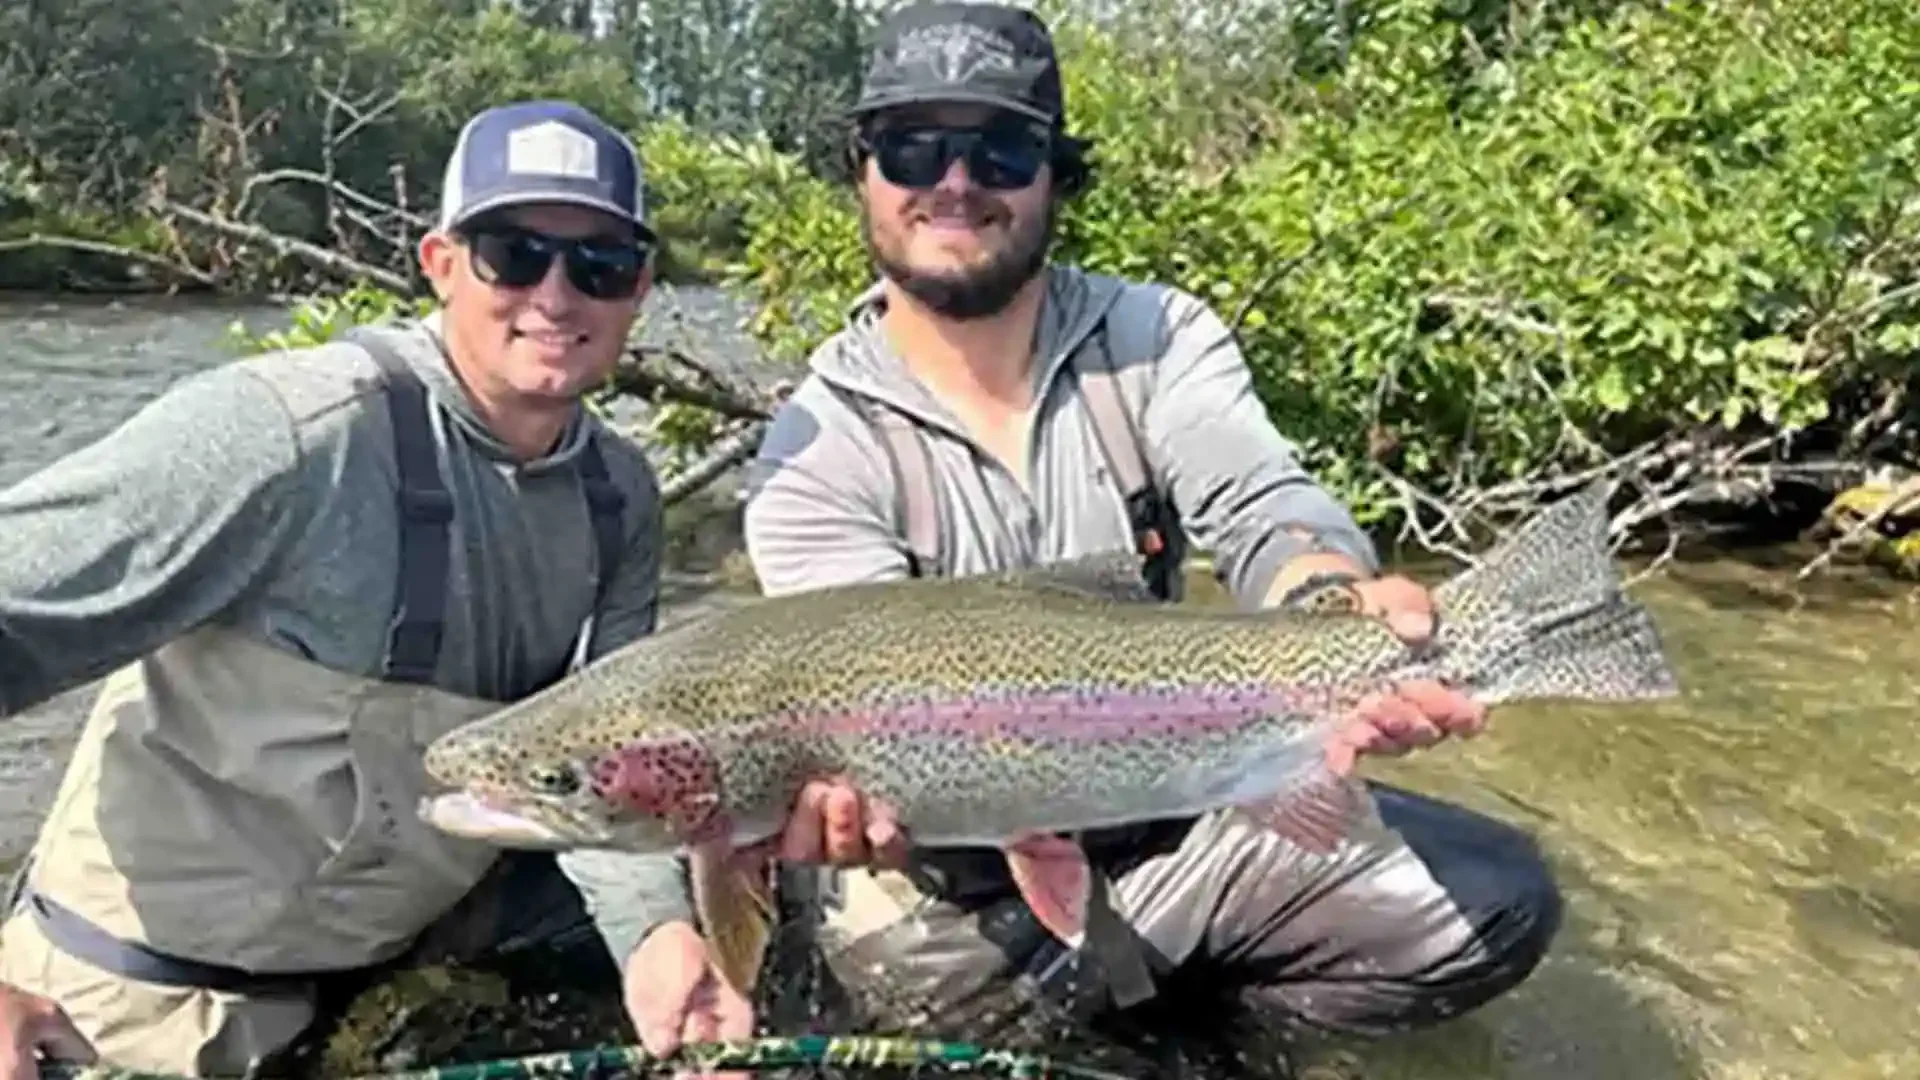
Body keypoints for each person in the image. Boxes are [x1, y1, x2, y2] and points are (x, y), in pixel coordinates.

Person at [619, 0, 1565, 1068]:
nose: (957, 181)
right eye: (914, 146)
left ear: (1057, 177)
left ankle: (1223, 1041)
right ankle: (1126, 1004)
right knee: (898, 1012)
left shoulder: (1156, 337)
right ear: (864, 172)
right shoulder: (814, 447)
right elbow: (842, 704)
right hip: (955, 890)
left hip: (1183, 809)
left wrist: (1335, 610)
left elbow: (1263, 507)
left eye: (1002, 149)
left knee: (1490, 903)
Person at [0, 100, 712, 1078]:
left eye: (601, 264)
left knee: (756, 862)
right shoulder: (287, 437)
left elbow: (599, 771)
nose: (558, 295)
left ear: (640, 290)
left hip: (383, 980)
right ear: (441, 263)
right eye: (514, 252)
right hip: (122, 1012)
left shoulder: (619, 497)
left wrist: (658, 942)